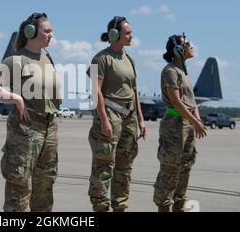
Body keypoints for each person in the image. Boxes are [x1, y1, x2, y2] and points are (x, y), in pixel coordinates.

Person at [0, 13, 61, 212]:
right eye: (47, 31)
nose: (51, 34)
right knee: (19, 185)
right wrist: (16, 98)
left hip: (49, 127)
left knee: (45, 185)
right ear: (31, 32)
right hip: (27, 128)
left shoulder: (47, 58)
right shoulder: (16, 60)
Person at [86, 16, 147, 212]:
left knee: (125, 166)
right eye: (127, 33)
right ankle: (100, 208)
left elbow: (134, 91)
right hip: (111, 114)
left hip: (129, 118)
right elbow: (96, 91)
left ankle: (120, 206)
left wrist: (141, 119)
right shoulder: (100, 58)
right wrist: (104, 120)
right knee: (104, 166)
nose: (131, 36)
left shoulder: (130, 59)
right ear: (114, 35)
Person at [153, 33, 207, 212]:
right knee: (169, 169)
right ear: (177, 49)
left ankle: (179, 206)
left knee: (185, 168)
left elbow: (191, 101)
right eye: (187, 44)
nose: (191, 46)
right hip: (174, 125)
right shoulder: (170, 71)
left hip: (187, 125)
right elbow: (176, 102)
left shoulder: (183, 72)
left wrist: (197, 120)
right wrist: (195, 121)